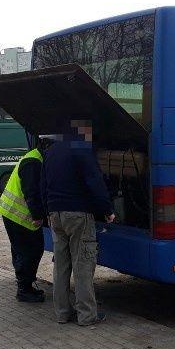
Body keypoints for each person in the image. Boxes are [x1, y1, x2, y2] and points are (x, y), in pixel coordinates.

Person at [43, 121, 115, 326]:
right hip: (77, 214)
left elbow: (43, 184)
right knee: (83, 264)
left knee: (61, 265)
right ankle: (86, 315)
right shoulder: (81, 150)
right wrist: (107, 210)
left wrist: (46, 210)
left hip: (55, 214)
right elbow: (94, 182)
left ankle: (62, 313)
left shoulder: (51, 151)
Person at [0, 137, 53, 302]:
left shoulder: (34, 157)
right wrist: (38, 216)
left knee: (23, 250)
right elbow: (32, 192)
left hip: (13, 213)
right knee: (31, 251)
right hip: (18, 215)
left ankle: (24, 285)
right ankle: (24, 289)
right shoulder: (33, 162)